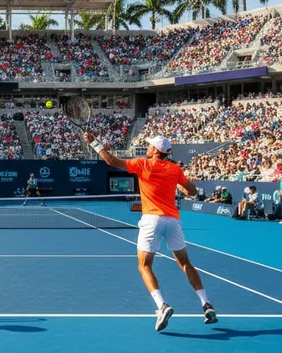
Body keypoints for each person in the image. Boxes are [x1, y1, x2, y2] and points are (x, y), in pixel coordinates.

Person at [83, 131, 218, 331]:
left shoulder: (142, 164)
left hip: (152, 219)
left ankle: (161, 306)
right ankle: (206, 304)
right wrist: (182, 189)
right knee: (185, 263)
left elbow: (111, 160)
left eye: (149, 146)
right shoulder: (174, 169)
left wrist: (93, 141)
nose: (146, 148)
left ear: (155, 150)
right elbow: (193, 191)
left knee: (144, 266)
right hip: (173, 220)